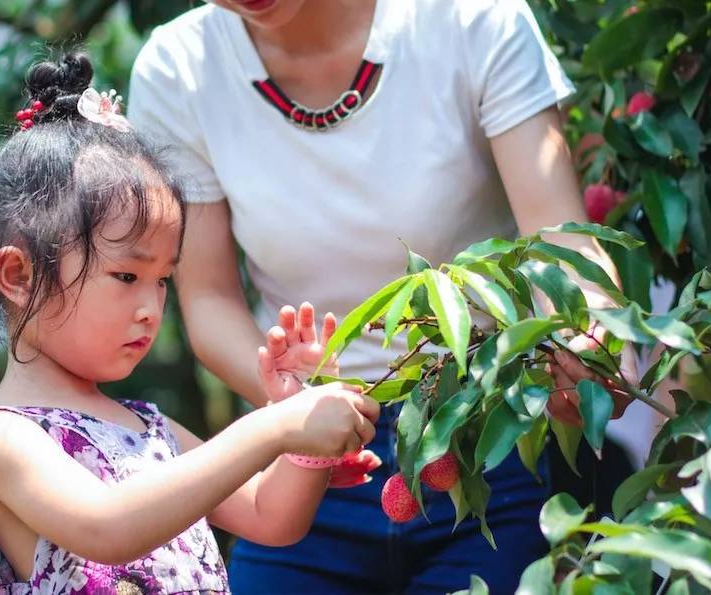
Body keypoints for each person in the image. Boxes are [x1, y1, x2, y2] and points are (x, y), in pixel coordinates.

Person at [127, 0, 638, 592]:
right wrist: (306, 411)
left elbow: (558, 235)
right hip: (307, 464)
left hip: (485, 433)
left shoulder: (472, 18)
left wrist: (593, 333)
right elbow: (209, 300)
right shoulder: (178, 69)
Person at [0, 52, 380, 594]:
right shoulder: (1, 435)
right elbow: (108, 526)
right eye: (127, 276)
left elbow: (273, 518)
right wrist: (271, 426)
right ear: (19, 274)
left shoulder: (149, 428)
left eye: (163, 280)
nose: (152, 307)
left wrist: (299, 416)